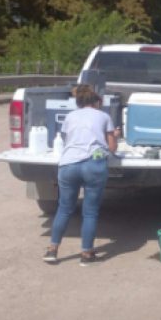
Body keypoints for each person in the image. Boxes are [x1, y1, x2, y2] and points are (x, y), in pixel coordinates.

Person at [43, 85, 118, 266]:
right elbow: (112, 148)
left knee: (64, 209)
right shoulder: (104, 116)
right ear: (96, 102)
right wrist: (114, 135)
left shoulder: (70, 117)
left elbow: (68, 140)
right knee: (90, 212)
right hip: (94, 164)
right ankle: (86, 253)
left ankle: (52, 250)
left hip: (68, 165)